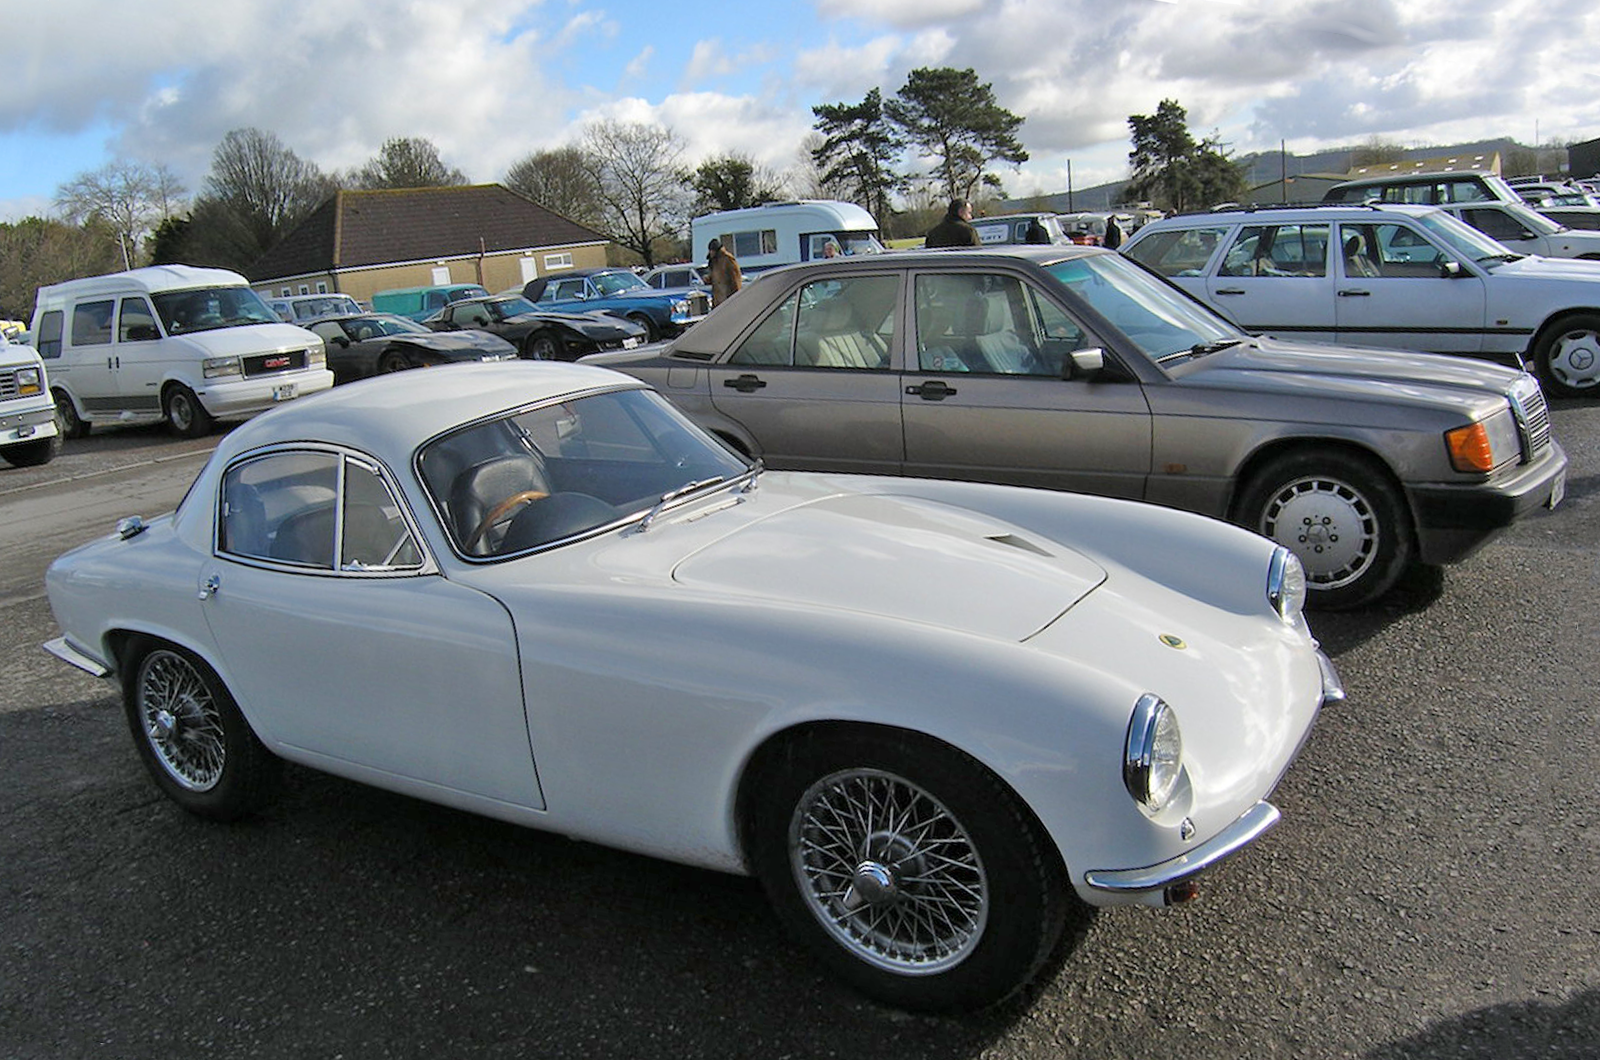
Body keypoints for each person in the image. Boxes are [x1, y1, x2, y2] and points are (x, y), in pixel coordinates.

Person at [707, 239, 742, 307]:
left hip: (728, 300)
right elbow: (716, 279)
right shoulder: (713, 261)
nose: (711, 253)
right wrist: (709, 279)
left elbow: (736, 280)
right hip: (718, 301)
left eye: (712, 251)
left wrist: (735, 298)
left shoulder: (728, 259)